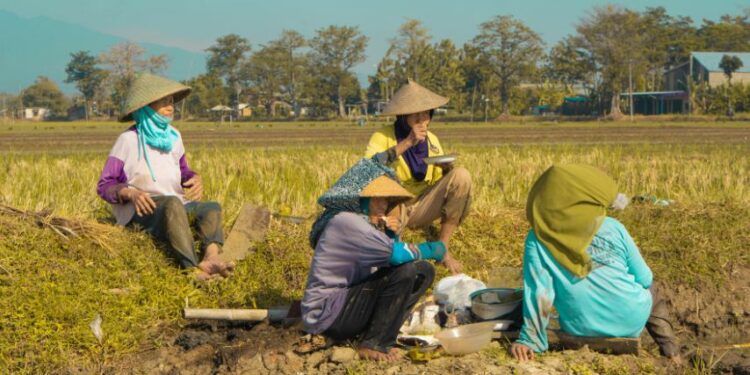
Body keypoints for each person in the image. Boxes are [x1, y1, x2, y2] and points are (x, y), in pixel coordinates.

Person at [510, 164, 680, 363]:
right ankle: (672, 354)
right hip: (630, 321)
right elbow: (645, 278)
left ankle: (671, 354)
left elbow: (540, 292)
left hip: (580, 327)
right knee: (653, 290)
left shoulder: (538, 238)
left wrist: (529, 340)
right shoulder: (614, 227)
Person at [303, 159, 446, 361]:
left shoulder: (365, 226)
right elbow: (396, 257)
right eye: (377, 199)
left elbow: (387, 264)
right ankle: (373, 343)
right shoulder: (346, 222)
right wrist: (433, 248)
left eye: (386, 201)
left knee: (423, 271)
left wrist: (391, 235)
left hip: (347, 308)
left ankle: (383, 337)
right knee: (406, 271)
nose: (384, 206)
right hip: (327, 313)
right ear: (360, 198)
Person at [96, 73, 234, 281]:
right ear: (146, 106)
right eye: (163, 103)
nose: (170, 107)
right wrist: (130, 193)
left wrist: (194, 178)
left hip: (176, 202)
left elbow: (182, 170)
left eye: (171, 102)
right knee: (171, 204)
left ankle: (211, 256)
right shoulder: (128, 140)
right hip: (142, 209)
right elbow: (105, 184)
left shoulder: (173, 136)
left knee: (211, 207)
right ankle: (191, 268)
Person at [365, 79, 471, 274]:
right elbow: (368, 169)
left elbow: (440, 182)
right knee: (385, 258)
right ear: (404, 115)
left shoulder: (432, 140)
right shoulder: (382, 136)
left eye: (427, 113)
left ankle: (443, 249)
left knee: (461, 176)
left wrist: (446, 169)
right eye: (417, 114)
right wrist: (407, 142)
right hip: (393, 207)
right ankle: (395, 253)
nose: (423, 118)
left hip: (422, 205)